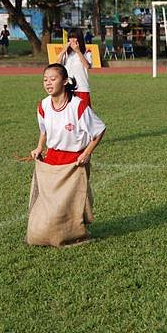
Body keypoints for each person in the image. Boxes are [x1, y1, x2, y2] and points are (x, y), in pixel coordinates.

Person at [27, 63, 106, 246]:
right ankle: (53, 231)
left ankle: (73, 233)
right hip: (52, 159)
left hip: (74, 162)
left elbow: (99, 130)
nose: (48, 83)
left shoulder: (78, 106)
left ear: (64, 81)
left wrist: (87, 153)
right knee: (49, 203)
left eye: (53, 79)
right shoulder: (43, 106)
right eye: (45, 79)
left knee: (70, 203)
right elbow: (44, 130)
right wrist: (39, 147)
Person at [57, 27, 91, 107]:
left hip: (82, 88)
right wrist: (63, 51)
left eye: (75, 37)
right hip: (67, 88)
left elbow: (87, 65)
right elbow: (57, 65)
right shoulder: (66, 54)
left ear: (79, 39)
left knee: (84, 114)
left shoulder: (86, 52)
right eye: (70, 38)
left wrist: (78, 51)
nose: (72, 40)